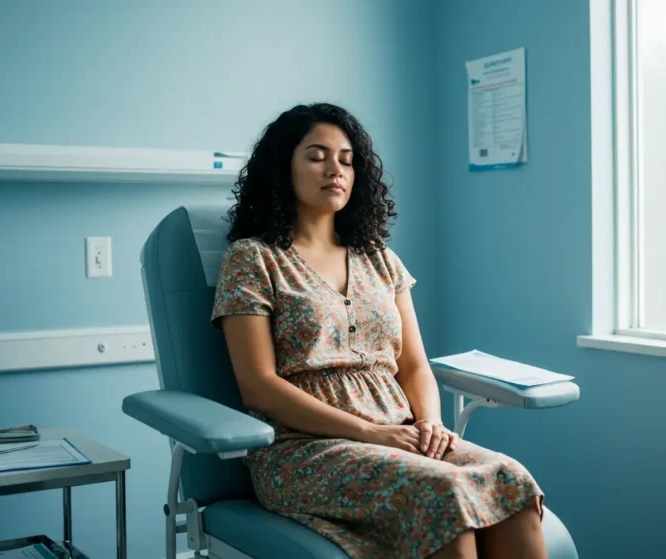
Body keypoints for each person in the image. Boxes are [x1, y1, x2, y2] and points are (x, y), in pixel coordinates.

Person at [211, 102, 547, 559]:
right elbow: (258, 387)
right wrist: (369, 434)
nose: (335, 169)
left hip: (402, 433)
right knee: (443, 493)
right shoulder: (253, 259)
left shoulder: (378, 258)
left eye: (347, 160)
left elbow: (413, 365)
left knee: (511, 480)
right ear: (282, 167)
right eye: (316, 156)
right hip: (303, 449)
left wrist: (430, 423)